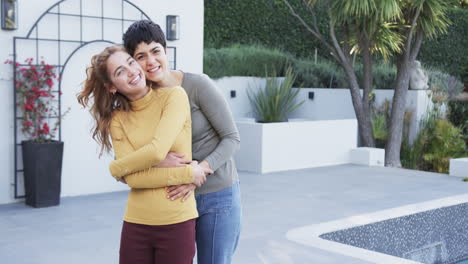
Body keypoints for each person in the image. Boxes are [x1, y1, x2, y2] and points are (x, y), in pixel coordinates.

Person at [118, 20, 242, 264]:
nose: (151, 61)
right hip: (174, 198)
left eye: (155, 51)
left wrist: (196, 173)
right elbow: (135, 157)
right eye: (140, 56)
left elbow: (231, 138)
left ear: (165, 51)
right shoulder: (142, 100)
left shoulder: (197, 85)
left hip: (215, 195)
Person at [77, 45, 213, 264]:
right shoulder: (117, 119)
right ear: (111, 86)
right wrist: (187, 173)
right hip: (136, 223)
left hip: (177, 220)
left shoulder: (174, 97)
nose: (132, 71)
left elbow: (157, 151)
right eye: (120, 71)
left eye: (131, 62)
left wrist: (118, 167)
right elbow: (134, 178)